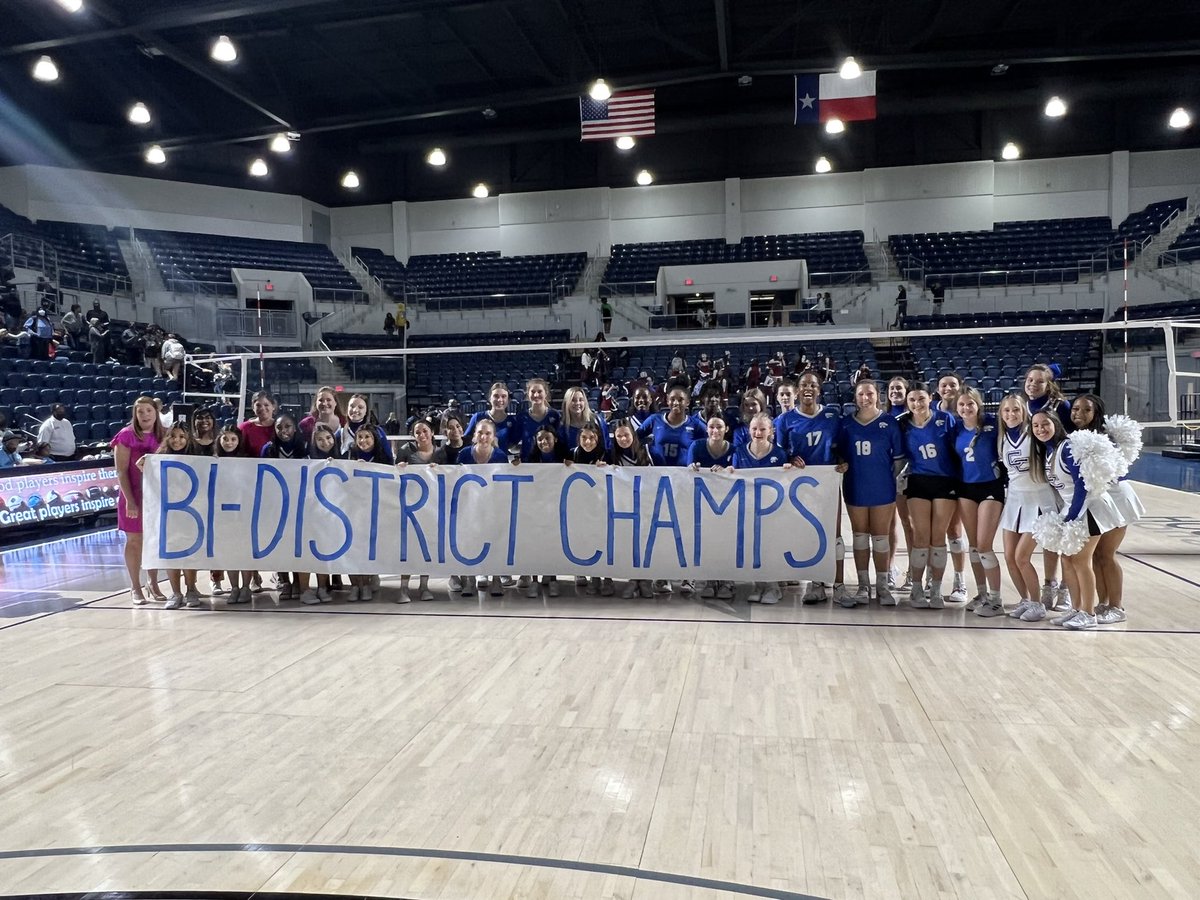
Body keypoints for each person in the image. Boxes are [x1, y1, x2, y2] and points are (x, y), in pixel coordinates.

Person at [1029, 409, 1126, 630]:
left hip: (1088, 508)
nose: (1040, 429)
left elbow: (1082, 485)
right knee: (1067, 561)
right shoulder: (1049, 451)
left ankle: (1088, 613)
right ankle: (1076, 608)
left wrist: (1071, 517)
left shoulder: (1067, 448)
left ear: (1055, 424)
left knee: (1081, 561)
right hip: (1072, 510)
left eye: (1045, 424)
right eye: (1035, 426)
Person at [1071, 395, 1144, 625]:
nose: (1079, 413)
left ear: (1097, 413)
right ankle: (1102, 604)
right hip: (1097, 501)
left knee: (1107, 555)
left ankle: (1117, 606)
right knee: (1095, 556)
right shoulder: (1075, 438)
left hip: (1115, 499)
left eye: (1086, 409)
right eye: (1075, 408)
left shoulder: (1105, 440)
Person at [778, 370, 847, 604]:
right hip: (799, 486)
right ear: (797, 391)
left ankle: (839, 585)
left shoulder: (831, 416)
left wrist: (842, 460)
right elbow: (780, 455)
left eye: (813, 385)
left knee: (835, 535)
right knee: (810, 534)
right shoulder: (786, 420)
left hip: (827, 484)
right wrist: (790, 458)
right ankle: (815, 583)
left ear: (819, 390)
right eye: (804, 384)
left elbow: (840, 449)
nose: (808, 388)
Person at [838, 380, 903, 607]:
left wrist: (885, 476)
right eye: (860, 394)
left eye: (870, 393)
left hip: (882, 487)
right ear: (855, 397)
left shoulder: (889, 423)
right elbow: (839, 455)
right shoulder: (846, 424)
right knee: (859, 536)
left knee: (881, 537)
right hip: (855, 485)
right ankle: (863, 585)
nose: (865, 398)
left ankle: (883, 586)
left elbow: (899, 460)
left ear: (878, 395)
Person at [998, 394, 1060, 623]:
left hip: (1039, 501)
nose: (1011, 414)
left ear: (1024, 411)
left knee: (1021, 557)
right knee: (1009, 557)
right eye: (1006, 410)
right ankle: (1025, 599)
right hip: (1015, 501)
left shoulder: (1034, 433)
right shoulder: (1002, 437)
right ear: (1001, 414)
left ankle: (1038, 603)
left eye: (1016, 410)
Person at [899, 382, 958, 608]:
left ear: (930, 398)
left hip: (945, 481)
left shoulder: (945, 419)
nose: (917, 404)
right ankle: (916, 588)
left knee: (938, 537)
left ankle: (935, 589)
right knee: (920, 537)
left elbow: (958, 448)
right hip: (918, 482)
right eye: (912, 400)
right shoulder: (903, 425)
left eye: (921, 399)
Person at [728, 412, 792, 604]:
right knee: (752, 548)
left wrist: (789, 471)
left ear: (771, 431)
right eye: (754, 428)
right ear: (749, 430)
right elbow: (732, 478)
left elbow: (787, 482)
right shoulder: (739, 452)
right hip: (748, 508)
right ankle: (758, 584)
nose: (758, 432)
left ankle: (773, 586)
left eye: (763, 429)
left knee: (770, 547)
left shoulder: (779, 454)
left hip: (772, 510)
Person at [952, 387, 1005, 617]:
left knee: (984, 545)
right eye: (962, 405)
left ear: (979, 404)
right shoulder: (955, 429)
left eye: (970, 404)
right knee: (973, 545)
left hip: (990, 488)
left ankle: (996, 600)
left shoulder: (993, 424)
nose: (966, 408)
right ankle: (982, 594)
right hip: (966, 488)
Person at [112, 397, 166, 605]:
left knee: (154, 541)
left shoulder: (164, 434)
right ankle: (135, 586)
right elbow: (121, 471)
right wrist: (130, 501)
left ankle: (152, 582)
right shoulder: (126, 435)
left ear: (156, 412)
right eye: (140, 411)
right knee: (135, 542)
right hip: (133, 495)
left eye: (148, 410)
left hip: (157, 496)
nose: (145, 415)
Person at [239, 390, 278, 457]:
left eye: (266, 405)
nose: (262, 408)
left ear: (273, 406)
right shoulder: (244, 428)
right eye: (258, 405)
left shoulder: (280, 427)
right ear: (253, 407)